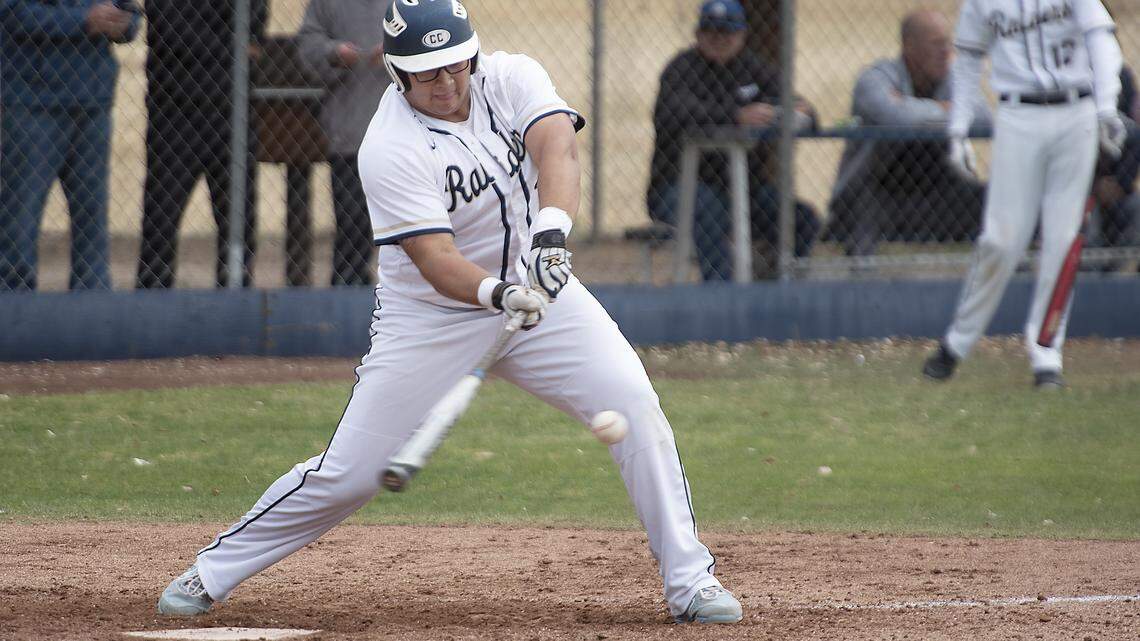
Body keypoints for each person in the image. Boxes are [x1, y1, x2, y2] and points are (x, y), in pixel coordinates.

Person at [155, 0, 742, 626]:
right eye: (429, 73)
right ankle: (213, 569)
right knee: (353, 475)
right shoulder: (388, 145)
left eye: (456, 65)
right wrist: (498, 295)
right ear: (398, 73)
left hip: (545, 293)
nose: (447, 82)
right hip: (432, 319)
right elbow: (435, 259)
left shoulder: (510, 75)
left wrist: (551, 235)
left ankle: (690, 581)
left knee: (634, 404)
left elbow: (557, 149)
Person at [922, 0, 1124, 389]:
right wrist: (958, 129)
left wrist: (1106, 106)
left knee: (1062, 240)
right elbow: (967, 60)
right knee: (1001, 240)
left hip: (1075, 110)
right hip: (1018, 114)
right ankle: (957, 343)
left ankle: (1047, 355)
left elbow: (1100, 36)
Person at [647, 0, 819, 281]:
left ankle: (776, 289)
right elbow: (672, 113)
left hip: (746, 188)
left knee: (802, 219)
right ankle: (722, 294)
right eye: (710, 31)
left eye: (726, 32)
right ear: (698, 34)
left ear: (741, 35)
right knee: (708, 209)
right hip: (677, 186)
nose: (718, 39)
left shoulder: (754, 69)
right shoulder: (681, 69)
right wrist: (735, 115)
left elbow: (803, 111)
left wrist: (800, 111)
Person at [827, 9, 991, 258]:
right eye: (936, 44)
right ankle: (861, 274)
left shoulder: (951, 76)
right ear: (909, 47)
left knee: (990, 198)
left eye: (948, 43)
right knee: (863, 208)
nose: (946, 52)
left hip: (936, 195)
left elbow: (983, 118)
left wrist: (910, 106)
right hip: (879, 192)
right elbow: (895, 118)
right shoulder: (875, 78)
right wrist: (951, 112)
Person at [0, 0, 139, 291]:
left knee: (92, 213)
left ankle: (92, 302)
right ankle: (13, 308)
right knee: (20, 215)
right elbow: (15, 15)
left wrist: (124, 23)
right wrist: (85, 20)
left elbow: (131, 14)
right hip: (32, 102)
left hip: (92, 102)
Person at [136, 0, 268, 289]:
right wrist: (233, 48)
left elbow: (254, 20)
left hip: (231, 112)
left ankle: (235, 297)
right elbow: (174, 33)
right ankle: (151, 305)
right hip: (175, 113)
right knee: (161, 220)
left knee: (239, 223)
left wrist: (231, 46)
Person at [297, 0, 393, 287]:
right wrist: (334, 53)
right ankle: (347, 292)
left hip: (405, 139)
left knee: (409, 228)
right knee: (352, 222)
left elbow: (438, 40)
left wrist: (400, 51)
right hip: (350, 133)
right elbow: (307, 45)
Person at [1088, 65, 1139, 269]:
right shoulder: (1073, 75)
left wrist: (1119, 183)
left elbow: (1135, 135)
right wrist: (1094, 187)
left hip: (1118, 187)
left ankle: (1116, 273)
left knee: (1137, 206)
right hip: (1081, 189)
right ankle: (1085, 275)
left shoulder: (1123, 74)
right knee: (1085, 213)